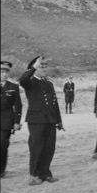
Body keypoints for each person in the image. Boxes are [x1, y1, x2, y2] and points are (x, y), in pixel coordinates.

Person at [19, 56, 64, 185]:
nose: (44, 68)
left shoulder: (48, 83)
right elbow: (22, 79)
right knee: (36, 147)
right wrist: (33, 67)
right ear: (34, 69)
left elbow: (54, 104)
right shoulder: (30, 82)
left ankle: (45, 173)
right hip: (36, 120)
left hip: (50, 120)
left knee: (49, 148)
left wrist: (59, 121)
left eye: (45, 65)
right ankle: (33, 175)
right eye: (41, 66)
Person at [0, 61, 22, 178]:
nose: (3, 74)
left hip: (6, 121)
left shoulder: (13, 87)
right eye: (1, 72)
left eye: (5, 72)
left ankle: (1, 170)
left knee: (2, 145)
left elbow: (18, 106)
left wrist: (17, 122)